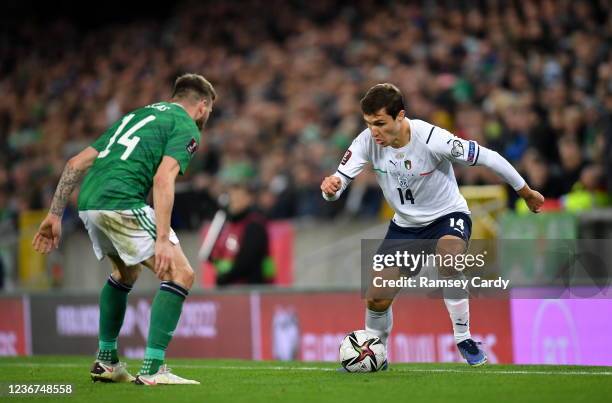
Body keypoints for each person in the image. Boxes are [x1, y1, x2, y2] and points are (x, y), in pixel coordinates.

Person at [320, 83, 544, 366]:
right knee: (376, 297)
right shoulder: (366, 142)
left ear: (400, 116)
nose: (373, 131)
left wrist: (525, 192)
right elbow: (337, 185)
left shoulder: (432, 139)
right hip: (405, 226)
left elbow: (489, 157)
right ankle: (376, 353)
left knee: (448, 258)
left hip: (446, 216)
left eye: (379, 123)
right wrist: (331, 189)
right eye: (368, 124)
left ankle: (464, 338)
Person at [32, 73, 216, 385]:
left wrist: (54, 215)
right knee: (181, 273)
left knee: (126, 273)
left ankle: (107, 361)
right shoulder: (186, 126)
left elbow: (76, 162)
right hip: (121, 202)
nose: (208, 116)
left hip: (89, 203)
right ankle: (154, 368)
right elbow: (163, 179)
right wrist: (161, 238)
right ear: (201, 105)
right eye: (210, 109)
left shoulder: (137, 115)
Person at [210, 181, 274, 286]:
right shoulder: (230, 225)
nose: (233, 200)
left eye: (238, 196)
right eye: (231, 196)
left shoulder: (255, 225)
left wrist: (225, 279)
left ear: (249, 199)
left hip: (251, 288)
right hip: (234, 286)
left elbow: (247, 261)